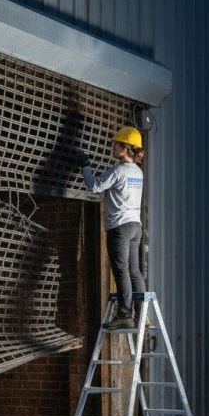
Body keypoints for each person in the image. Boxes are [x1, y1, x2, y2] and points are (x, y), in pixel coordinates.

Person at [80, 126, 146, 330]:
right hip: (135, 225)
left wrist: (85, 167)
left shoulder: (118, 170)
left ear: (125, 148)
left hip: (120, 227)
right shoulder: (138, 172)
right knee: (134, 270)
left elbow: (95, 187)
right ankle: (140, 314)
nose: (112, 146)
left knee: (121, 270)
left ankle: (125, 314)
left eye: (116, 144)